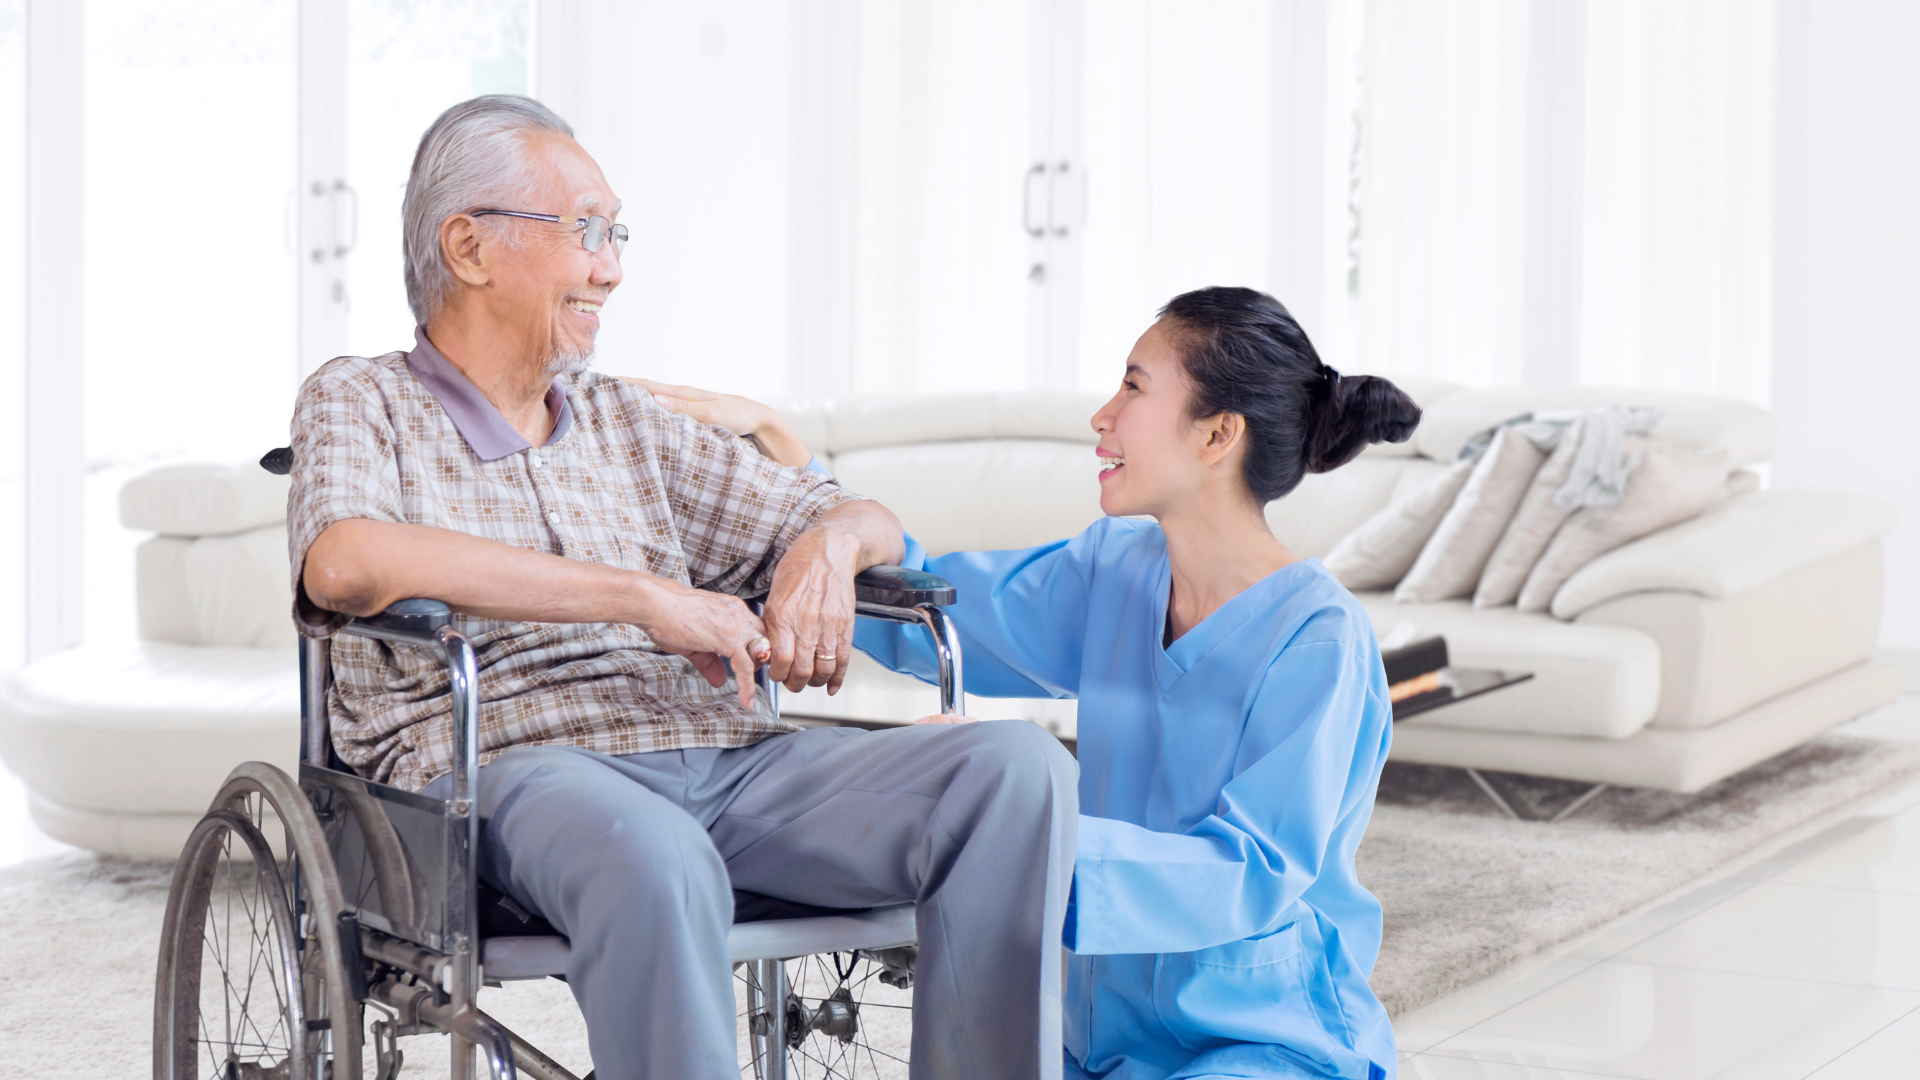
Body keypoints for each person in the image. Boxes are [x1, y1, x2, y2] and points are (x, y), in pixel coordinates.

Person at [288, 94, 1077, 1080]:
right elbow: (347, 560)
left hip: (725, 762)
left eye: (616, 232)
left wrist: (823, 554)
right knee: (654, 853)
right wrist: (641, 596)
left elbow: (854, 511)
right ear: (468, 246)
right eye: (585, 230)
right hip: (509, 767)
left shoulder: (627, 422)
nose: (611, 266)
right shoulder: (362, 399)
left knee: (1015, 775)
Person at [653, 287, 1414, 1079]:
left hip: (1267, 1040)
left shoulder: (1319, 639)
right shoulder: (1113, 570)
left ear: (1218, 433)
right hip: (1097, 1042)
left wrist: (1014, 826)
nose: (1102, 415)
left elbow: (1250, 871)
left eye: (1134, 386)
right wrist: (786, 453)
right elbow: (929, 618)